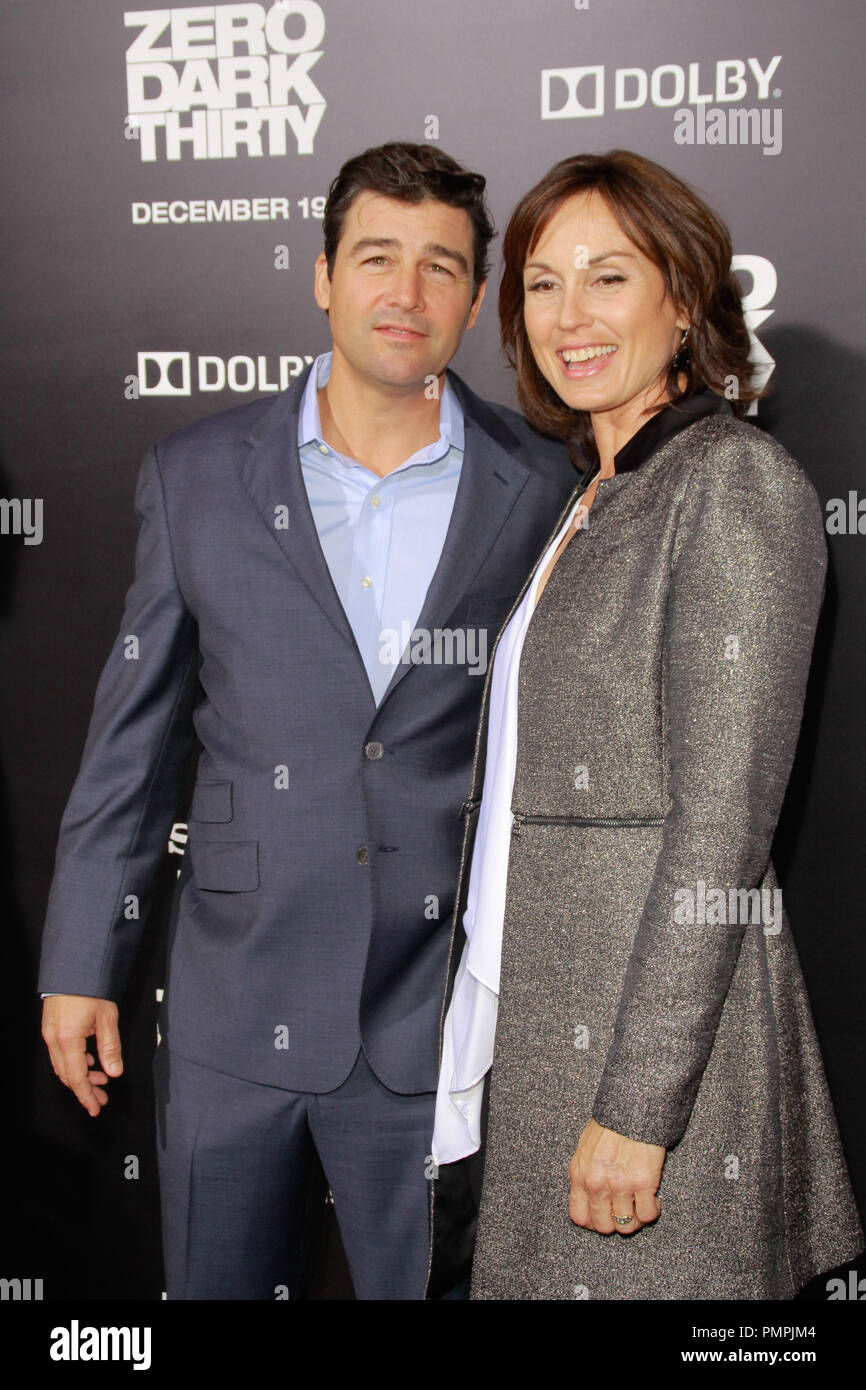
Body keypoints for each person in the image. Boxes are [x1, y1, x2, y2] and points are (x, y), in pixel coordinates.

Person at [37, 141, 580, 1300]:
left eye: (440, 268)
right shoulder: (195, 476)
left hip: (434, 1025)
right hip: (238, 1010)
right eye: (376, 257)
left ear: (476, 302)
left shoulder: (538, 484)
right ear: (322, 275)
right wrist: (82, 960)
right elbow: (130, 748)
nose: (406, 292)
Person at [428, 149, 864, 1299]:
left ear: (681, 297)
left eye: (606, 278)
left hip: (654, 1068)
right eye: (539, 281)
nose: (568, 315)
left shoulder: (730, 484)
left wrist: (636, 1106)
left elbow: (719, 830)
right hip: (543, 1035)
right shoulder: (592, 489)